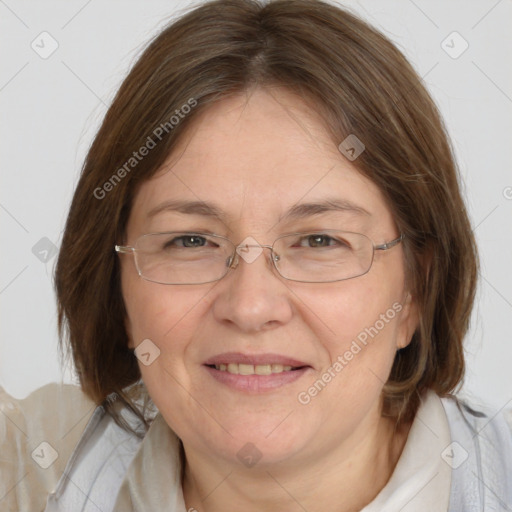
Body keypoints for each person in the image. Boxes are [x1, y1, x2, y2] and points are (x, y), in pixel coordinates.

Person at [1, 0, 511, 510]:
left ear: (415, 293)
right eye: (191, 241)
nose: (249, 306)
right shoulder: (31, 467)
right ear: (118, 289)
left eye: (319, 241)